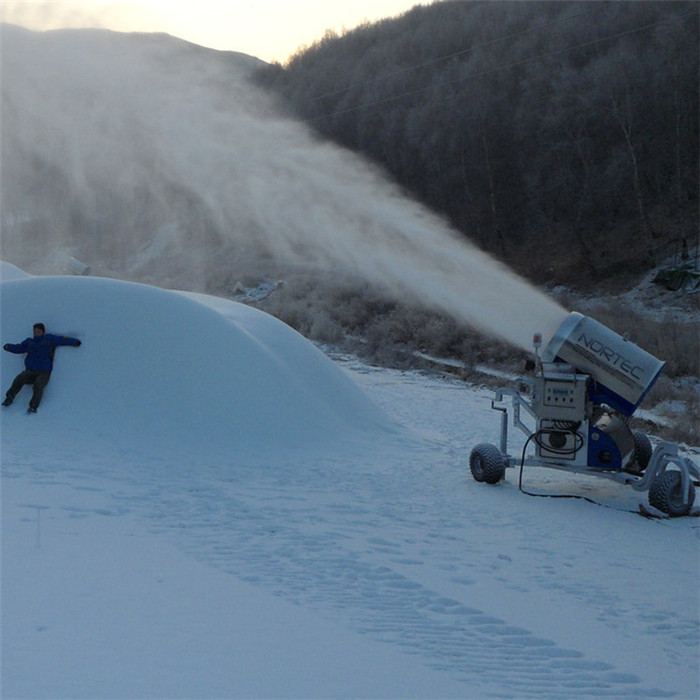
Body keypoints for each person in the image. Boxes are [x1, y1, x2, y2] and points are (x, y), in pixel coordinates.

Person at [2, 323, 82, 413]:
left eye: (39, 331)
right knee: (20, 378)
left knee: (39, 384)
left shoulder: (49, 339)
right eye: (35, 332)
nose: (36, 333)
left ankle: (33, 406)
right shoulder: (29, 342)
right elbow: (19, 348)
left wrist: (75, 342)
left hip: (44, 371)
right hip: (30, 371)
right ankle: (10, 397)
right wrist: (9, 347)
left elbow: (62, 340)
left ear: (43, 332)